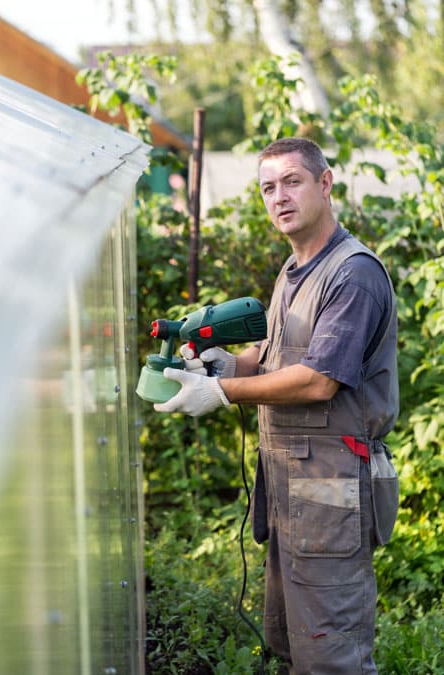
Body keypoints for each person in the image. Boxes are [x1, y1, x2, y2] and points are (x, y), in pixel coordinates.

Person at [154, 137, 399, 674]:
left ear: (325, 183)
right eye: (268, 188)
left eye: (292, 182)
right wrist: (219, 366)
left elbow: (317, 381)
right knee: (292, 643)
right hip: (292, 486)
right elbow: (273, 356)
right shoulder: (294, 271)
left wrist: (219, 393)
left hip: (331, 488)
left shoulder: (351, 273)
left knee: (331, 653)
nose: (279, 197)